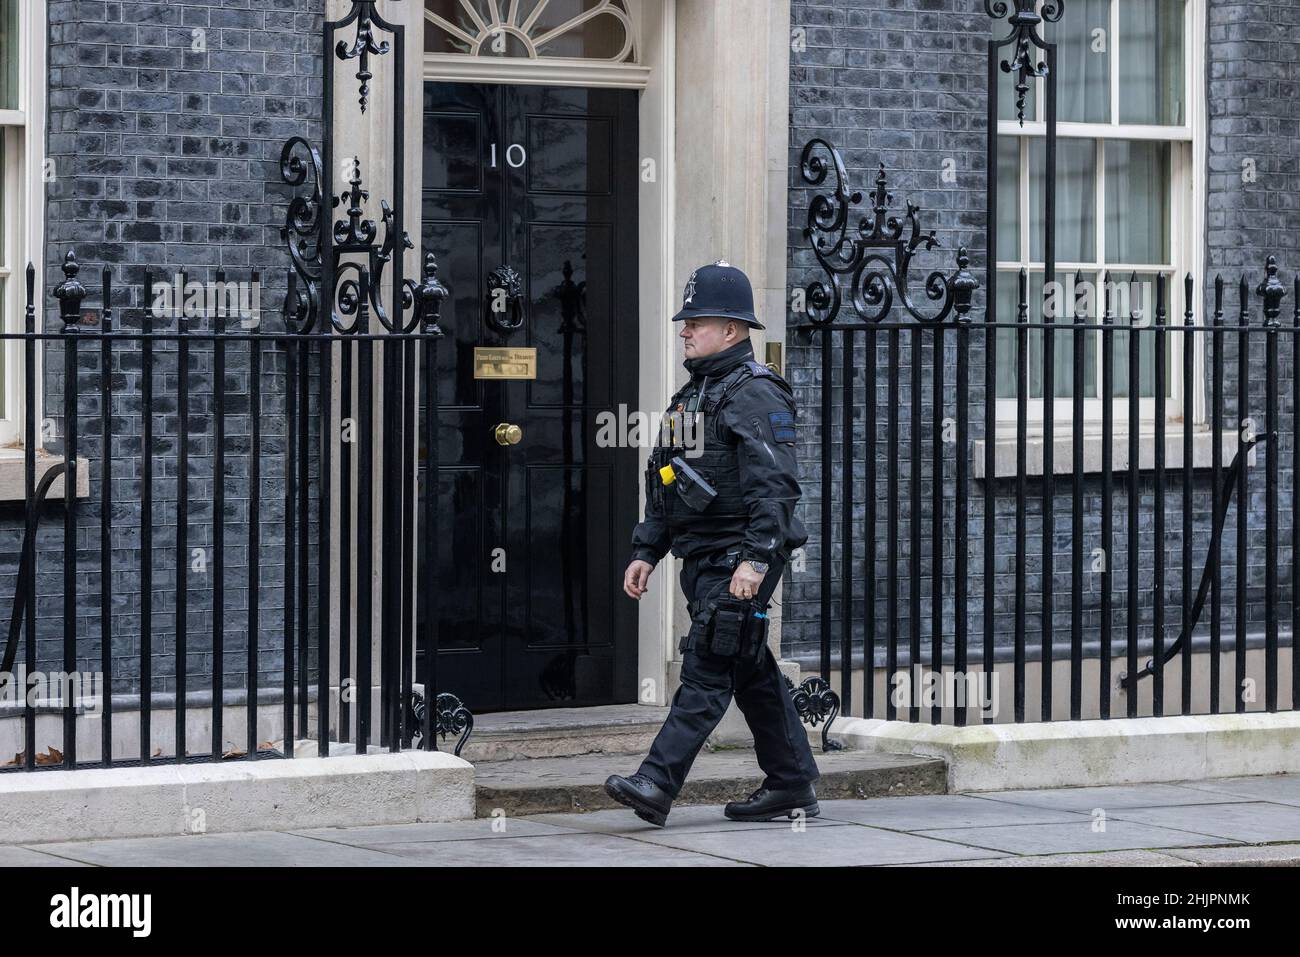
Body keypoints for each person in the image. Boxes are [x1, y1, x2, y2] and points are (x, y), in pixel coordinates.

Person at [603, 260, 820, 828]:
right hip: (700, 558)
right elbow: (665, 480)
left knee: (706, 665)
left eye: (696, 321)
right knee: (749, 668)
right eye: (685, 321)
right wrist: (646, 550)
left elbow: (777, 485)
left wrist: (755, 558)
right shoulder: (688, 399)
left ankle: (656, 781)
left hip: (737, 558)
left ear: (732, 329)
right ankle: (793, 783)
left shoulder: (756, 393)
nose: (684, 329)